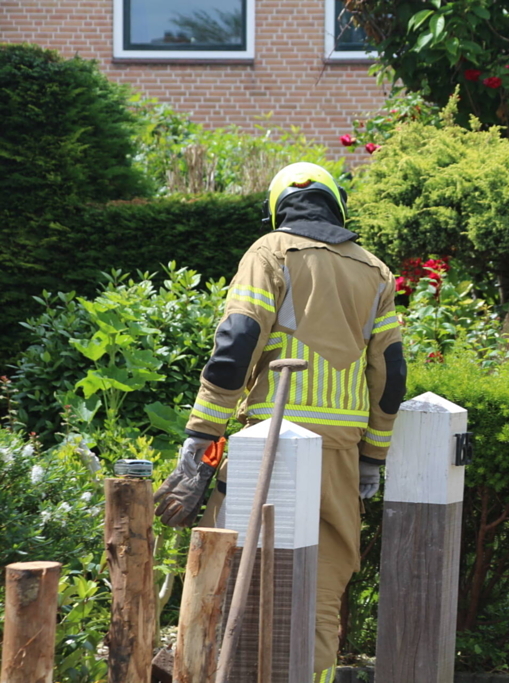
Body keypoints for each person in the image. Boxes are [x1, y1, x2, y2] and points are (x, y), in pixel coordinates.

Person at [154, 162, 406, 683]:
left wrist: (202, 436)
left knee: (235, 578)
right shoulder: (375, 271)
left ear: (277, 209)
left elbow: (236, 343)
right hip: (339, 454)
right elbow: (391, 374)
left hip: (268, 446)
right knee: (321, 590)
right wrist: (372, 457)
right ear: (337, 207)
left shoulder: (270, 252)